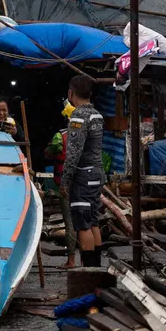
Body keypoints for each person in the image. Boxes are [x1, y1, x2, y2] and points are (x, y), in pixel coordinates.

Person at [62, 74, 105, 268]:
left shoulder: (78, 116)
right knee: (93, 222)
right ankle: (96, 270)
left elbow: (73, 152)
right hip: (97, 173)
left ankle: (89, 273)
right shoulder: (97, 115)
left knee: (83, 225)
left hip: (83, 175)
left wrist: (65, 180)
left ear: (71, 93)